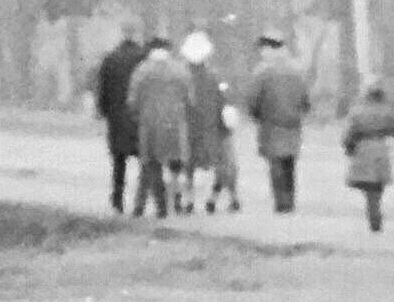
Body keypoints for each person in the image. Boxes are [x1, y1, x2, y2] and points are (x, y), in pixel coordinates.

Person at [244, 30, 312, 213]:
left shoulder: (262, 72)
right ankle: (289, 201)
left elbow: (253, 100)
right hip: (292, 125)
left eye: (264, 48)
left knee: (276, 164)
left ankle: (281, 203)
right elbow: (305, 100)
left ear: (270, 49)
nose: (262, 52)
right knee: (290, 164)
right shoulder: (296, 70)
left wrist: (256, 115)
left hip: (271, 125)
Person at [125, 36, 190, 219]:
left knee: (151, 164)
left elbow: (132, 100)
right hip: (175, 124)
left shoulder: (142, 70)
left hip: (150, 124)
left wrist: (136, 115)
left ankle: (157, 206)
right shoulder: (180, 70)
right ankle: (176, 199)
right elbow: (190, 98)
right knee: (175, 164)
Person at [178, 31, 236, 214]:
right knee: (221, 163)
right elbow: (225, 101)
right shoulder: (215, 77)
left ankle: (188, 200)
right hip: (212, 127)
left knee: (188, 166)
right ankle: (216, 198)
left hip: (189, 127)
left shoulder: (182, 77)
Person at [94, 23, 147, 213]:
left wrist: (102, 110)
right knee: (144, 159)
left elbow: (103, 88)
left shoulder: (111, 59)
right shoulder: (144, 58)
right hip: (138, 116)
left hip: (117, 116)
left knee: (119, 161)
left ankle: (118, 198)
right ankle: (141, 200)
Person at [342, 79, 394, 233]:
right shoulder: (387, 111)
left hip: (364, 149)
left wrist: (349, 148)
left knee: (369, 189)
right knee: (377, 188)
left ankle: (374, 217)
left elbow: (349, 134)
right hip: (380, 149)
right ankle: (376, 216)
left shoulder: (358, 111)